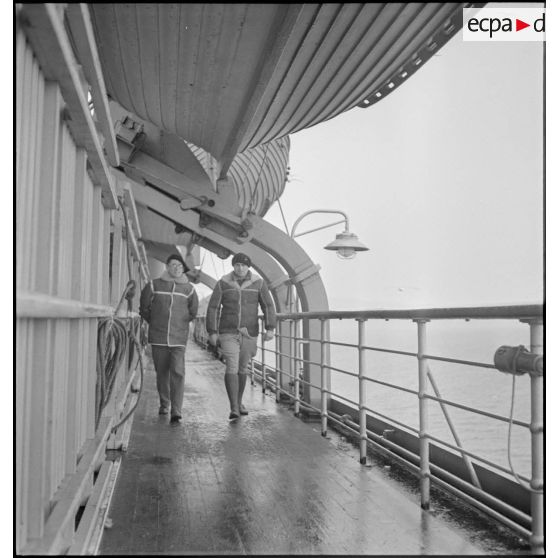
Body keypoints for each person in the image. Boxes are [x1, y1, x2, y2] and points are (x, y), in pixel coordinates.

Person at [206, 253, 276, 419]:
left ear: (248, 267)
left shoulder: (258, 283)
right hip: (228, 331)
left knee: (243, 368)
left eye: (243, 265)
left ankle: (238, 402)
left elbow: (268, 305)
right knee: (232, 366)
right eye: (237, 265)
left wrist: (270, 327)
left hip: (249, 332)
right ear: (233, 266)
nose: (240, 268)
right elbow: (213, 308)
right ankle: (234, 407)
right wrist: (212, 331)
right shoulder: (223, 283)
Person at [139, 254, 199, 423]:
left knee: (178, 372)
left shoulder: (189, 289)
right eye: (173, 264)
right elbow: (143, 307)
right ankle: (165, 403)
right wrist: (154, 321)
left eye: (179, 265)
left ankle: (176, 410)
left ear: (183, 268)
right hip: (158, 337)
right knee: (162, 373)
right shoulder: (153, 285)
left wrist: (181, 324)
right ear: (166, 266)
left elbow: (193, 311)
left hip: (179, 338)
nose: (176, 268)